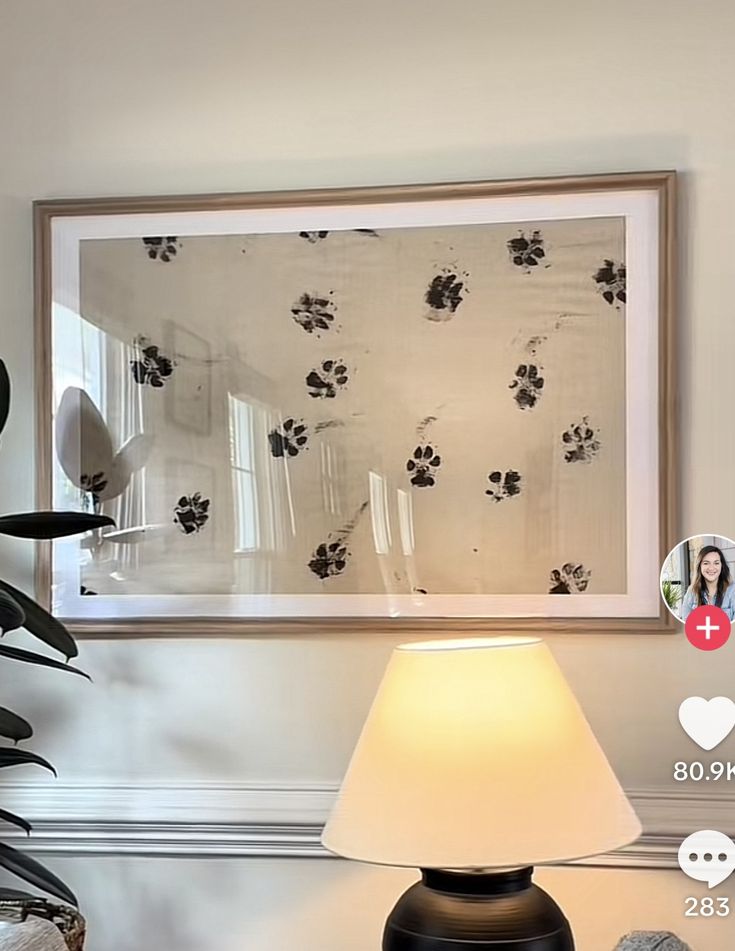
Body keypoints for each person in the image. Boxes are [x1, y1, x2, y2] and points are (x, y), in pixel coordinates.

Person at [680, 545, 735, 621]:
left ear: (722, 566)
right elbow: (686, 623)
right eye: (706, 563)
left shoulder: (733, 590)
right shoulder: (691, 591)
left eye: (716, 563)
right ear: (700, 566)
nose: (711, 568)